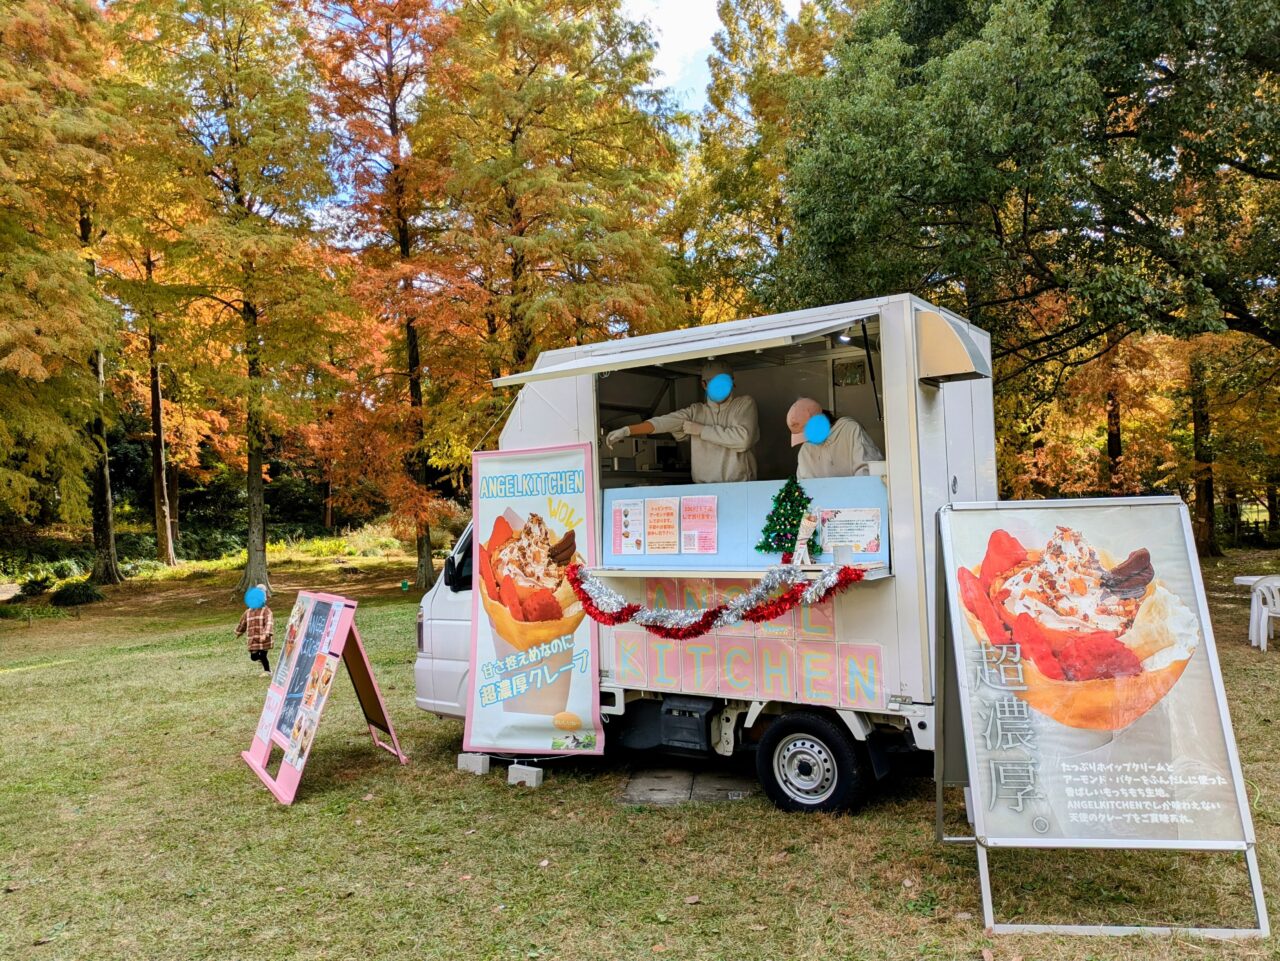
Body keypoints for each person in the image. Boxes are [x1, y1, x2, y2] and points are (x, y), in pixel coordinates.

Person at [606, 360, 759, 483]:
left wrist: (701, 430)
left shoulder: (744, 404)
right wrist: (627, 430)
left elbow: (743, 440)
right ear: (704, 384)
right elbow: (662, 423)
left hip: (740, 487)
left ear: (732, 382)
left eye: (724, 382)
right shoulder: (695, 411)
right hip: (703, 490)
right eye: (714, 383)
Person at [786, 397, 883, 479]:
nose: (808, 440)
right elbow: (804, 486)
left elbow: (868, 471)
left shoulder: (849, 429)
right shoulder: (805, 450)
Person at [236, 585, 274, 675]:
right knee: (253, 657)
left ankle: (267, 671)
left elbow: (269, 623)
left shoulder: (266, 611)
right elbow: (243, 623)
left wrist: (266, 634)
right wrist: (239, 632)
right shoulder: (248, 612)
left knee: (263, 655)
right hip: (253, 639)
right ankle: (261, 660)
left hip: (264, 639)